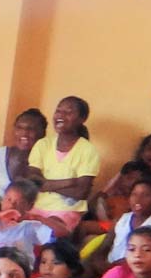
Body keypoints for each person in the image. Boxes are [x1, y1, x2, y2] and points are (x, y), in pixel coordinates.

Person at [27, 95, 99, 235]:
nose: (60, 116)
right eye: (58, 111)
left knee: (48, 232)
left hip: (66, 210)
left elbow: (81, 193)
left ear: (82, 119)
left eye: (68, 112)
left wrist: (45, 185)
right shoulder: (43, 144)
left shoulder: (88, 150)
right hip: (35, 206)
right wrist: (69, 182)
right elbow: (32, 181)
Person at [0, 179, 58, 262]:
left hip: (20, 272)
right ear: (2, 200)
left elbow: (62, 232)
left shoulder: (31, 225)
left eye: (19, 203)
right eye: (9, 199)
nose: (12, 205)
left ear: (29, 206)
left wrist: (37, 218)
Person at [0, 108, 45, 205]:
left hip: (36, 212)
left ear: (42, 133)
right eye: (19, 128)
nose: (24, 133)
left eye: (31, 129)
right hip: (2, 211)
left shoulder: (48, 158)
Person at [107, 175, 151, 262]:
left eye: (146, 195)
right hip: (111, 265)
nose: (138, 199)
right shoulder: (121, 218)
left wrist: (116, 266)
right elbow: (106, 245)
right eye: (134, 194)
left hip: (136, 266)